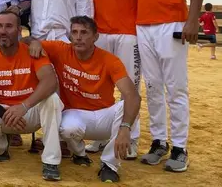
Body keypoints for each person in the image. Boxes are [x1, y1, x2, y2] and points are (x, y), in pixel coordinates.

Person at [133, 0, 205, 172]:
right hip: (144, 26)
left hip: (172, 25)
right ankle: (159, 142)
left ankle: (179, 148)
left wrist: (193, 20)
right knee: (152, 87)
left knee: (176, 88)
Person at [27, 16, 141, 183]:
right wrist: (34, 41)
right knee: (66, 127)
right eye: (74, 32)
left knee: (128, 106)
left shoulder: (110, 60)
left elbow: (133, 95)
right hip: (76, 115)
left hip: (103, 117)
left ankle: (110, 165)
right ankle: (79, 153)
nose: (78, 37)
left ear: (95, 37)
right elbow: (24, 41)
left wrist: (125, 128)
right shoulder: (61, 49)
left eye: (84, 32)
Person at [0, 10, 63, 181]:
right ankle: (1, 149)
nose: (3, 31)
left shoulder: (32, 51)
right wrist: (4, 113)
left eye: (9, 26)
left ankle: (51, 161)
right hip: (5, 114)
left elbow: (51, 82)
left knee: (52, 99)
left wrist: (24, 106)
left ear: (19, 30)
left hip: (30, 111)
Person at [80, 0, 141, 158]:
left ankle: (132, 139)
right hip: (98, 34)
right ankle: (100, 136)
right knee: (98, 88)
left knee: (130, 88)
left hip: (128, 33)